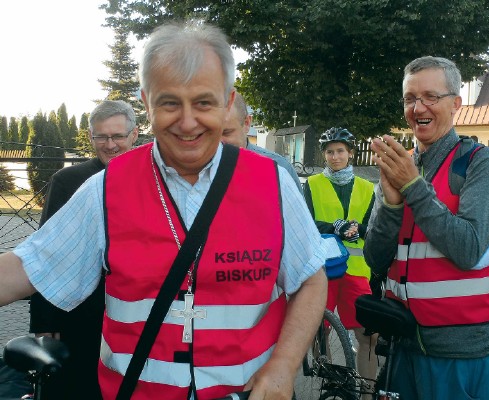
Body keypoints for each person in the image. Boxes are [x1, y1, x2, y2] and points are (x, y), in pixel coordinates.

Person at [0, 20, 327, 400]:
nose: (187, 122)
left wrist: (284, 367)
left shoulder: (273, 183)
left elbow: (310, 279)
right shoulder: (106, 189)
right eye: (170, 103)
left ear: (227, 101)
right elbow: (29, 267)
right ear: (146, 103)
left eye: (203, 102)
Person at [363, 56, 489, 399]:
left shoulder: (484, 162)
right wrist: (391, 205)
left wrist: (413, 188)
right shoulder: (402, 165)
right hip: (404, 344)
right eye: (410, 98)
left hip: (463, 353)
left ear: (456, 103)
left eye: (430, 96)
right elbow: (375, 257)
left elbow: (468, 248)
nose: (418, 108)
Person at [27, 100, 138, 400]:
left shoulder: (153, 181)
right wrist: (43, 320)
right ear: (91, 138)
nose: (110, 145)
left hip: (136, 310)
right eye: (101, 137)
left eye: (118, 136)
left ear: (134, 135)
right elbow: (46, 253)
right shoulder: (67, 181)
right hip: (80, 312)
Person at [302, 127, 377, 394]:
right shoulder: (311, 185)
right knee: (319, 329)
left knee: (367, 335)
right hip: (323, 268)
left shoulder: (368, 188)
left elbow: (374, 226)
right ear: (324, 156)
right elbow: (305, 223)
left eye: (340, 151)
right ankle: (332, 380)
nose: (335, 157)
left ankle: (367, 392)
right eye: (330, 152)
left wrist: (361, 229)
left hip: (357, 271)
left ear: (350, 154)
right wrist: (335, 226)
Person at [222, 91, 302, 191]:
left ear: (247, 123)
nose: (217, 142)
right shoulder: (199, 171)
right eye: (209, 133)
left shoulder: (279, 168)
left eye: (226, 132)